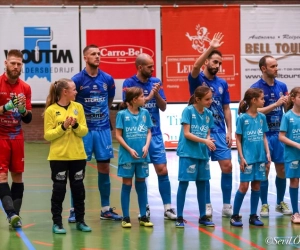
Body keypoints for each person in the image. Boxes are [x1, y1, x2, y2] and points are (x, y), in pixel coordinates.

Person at [122, 53, 177, 220]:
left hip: (155, 134)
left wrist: (158, 94)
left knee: (162, 170)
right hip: (137, 135)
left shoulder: (156, 82)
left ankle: (168, 208)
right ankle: (144, 208)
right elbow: (129, 106)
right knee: (141, 174)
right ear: (140, 67)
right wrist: (149, 96)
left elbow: (164, 107)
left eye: (153, 66)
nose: (153, 69)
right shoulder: (129, 83)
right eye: (149, 67)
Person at [71, 44, 122, 221]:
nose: (97, 56)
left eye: (99, 54)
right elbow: (72, 104)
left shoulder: (107, 79)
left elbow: (109, 100)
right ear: (85, 58)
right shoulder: (77, 80)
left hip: (102, 130)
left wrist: (101, 115)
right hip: (84, 131)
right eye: (93, 54)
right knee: (78, 171)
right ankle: (74, 210)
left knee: (105, 168)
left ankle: (105, 209)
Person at [188, 32, 233, 217]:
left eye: (220, 63)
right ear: (207, 61)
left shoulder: (222, 83)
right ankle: (206, 204)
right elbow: (196, 66)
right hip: (200, 132)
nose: (218, 65)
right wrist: (211, 48)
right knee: (204, 169)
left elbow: (227, 108)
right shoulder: (198, 79)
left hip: (220, 131)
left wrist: (230, 130)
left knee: (227, 166)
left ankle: (227, 205)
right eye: (215, 61)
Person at [44, 78, 91, 234]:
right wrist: (63, 127)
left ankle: (80, 221)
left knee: (78, 190)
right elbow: (48, 135)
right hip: (58, 158)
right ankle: (57, 223)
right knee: (59, 190)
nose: (76, 91)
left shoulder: (78, 107)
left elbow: (84, 131)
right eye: (74, 89)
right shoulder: (51, 110)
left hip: (78, 156)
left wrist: (76, 125)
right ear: (65, 92)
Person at [250, 55, 291, 217]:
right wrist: (275, 104)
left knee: (281, 168)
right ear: (263, 68)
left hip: (279, 134)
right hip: (263, 135)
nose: (276, 68)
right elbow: (254, 111)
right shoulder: (255, 88)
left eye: (276, 65)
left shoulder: (282, 86)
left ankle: (280, 202)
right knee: (265, 169)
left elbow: (287, 111)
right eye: (273, 66)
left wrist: (287, 104)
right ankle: (264, 204)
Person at [0, 49, 32, 228]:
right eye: (12, 63)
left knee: (18, 176)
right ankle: (11, 213)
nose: (16, 66)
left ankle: (15, 217)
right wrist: (6, 107)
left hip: (17, 136)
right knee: (2, 175)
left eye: (19, 64)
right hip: (0, 136)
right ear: (6, 63)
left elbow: (28, 119)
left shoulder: (25, 88)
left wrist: (21, 110)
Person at [176, 86, 216, 228]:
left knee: (202, 185)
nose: (210, 101)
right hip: (188, 153)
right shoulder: (188, 111)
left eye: (211, 98)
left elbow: (207, 132)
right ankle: (179, 217)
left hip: (202, 153)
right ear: (197, 99)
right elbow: (186, 133)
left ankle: (203, 216)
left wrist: (209, 140)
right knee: (184, 184)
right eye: (207, 99)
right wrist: (205, 141)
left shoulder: (209, 113)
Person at [230, 88, 270, 227]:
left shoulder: (262, 117)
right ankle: (235, 216)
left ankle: (253, 215)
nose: (264, 101)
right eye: (262, 98)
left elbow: (264, 136)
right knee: (243, 186)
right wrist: (241, 157)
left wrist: (267, 153)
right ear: (254, 100)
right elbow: (238, 139)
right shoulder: (242, 118)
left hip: (260, 157)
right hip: (247, 158)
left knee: (257, 185)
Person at [116, 87, 154, 228]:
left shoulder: (145, 113)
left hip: (142, 155)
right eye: (142, 96)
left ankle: (143, 216)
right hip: (127, 156)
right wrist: (130, 149)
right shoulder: (122, 115)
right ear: (134, 100)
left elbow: (149, 132)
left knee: (141, 184)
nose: (144, 98)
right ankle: (126, 217)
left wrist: (146, 145)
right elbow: (118, 135)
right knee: (126, 184)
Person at [279, 87, 300, 224]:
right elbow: (281, 136)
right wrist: (297, 145)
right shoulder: (287, 116)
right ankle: (296, 212)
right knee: (294, 181)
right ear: (293, 99)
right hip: (292, 154)